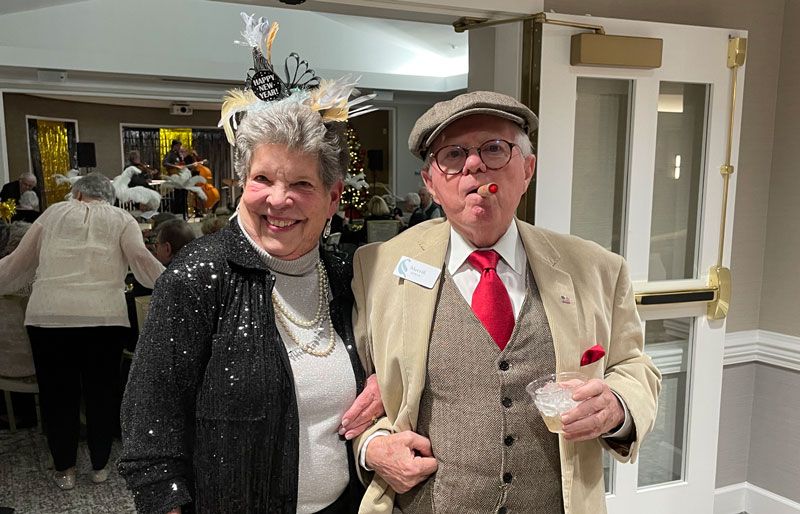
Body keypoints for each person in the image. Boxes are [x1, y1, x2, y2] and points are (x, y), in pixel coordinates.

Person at [120, 16, 383, 512]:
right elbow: (151, 433)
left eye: (301, 184)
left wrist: (385, 383)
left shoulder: (347, 275)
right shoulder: (199, 276)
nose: (278, 200)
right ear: (243, 183)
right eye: (263, 179)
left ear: (332, 198)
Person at [352, 91, 662, 514]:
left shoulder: (596, 269)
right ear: (430, 183)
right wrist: (372, 445)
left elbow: (634, 366)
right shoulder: (379, 269)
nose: (474, 166)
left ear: (527, 169)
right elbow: (352, 392)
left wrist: (618, 405)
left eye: (494, 149)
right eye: (453, 155)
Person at [0, 173, 165, 490]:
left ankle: (65, 470)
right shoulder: (122, 219)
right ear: (109, 197)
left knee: (57, 396)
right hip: (104, 318)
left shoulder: (53, 214)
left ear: (76, 194)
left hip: (49, 317)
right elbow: (142, 260)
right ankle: (100, 465)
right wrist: (176, 285)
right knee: (101, 393)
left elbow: (18, 263)